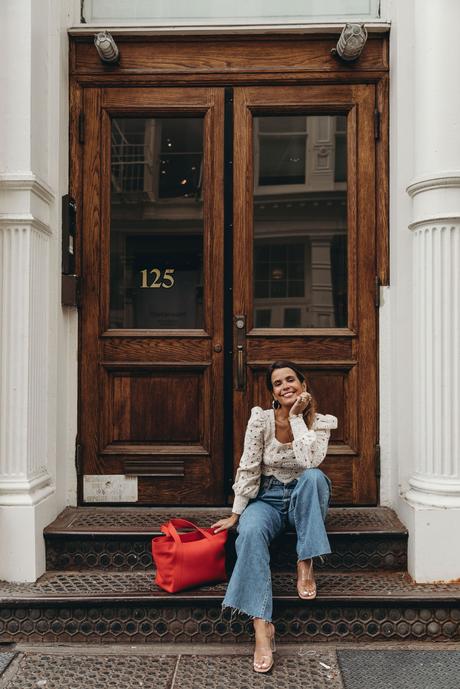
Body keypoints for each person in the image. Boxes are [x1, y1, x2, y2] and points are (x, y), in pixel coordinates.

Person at [211, 360, 337, 673]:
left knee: (314, 478)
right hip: (266, 498)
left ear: (303, 384)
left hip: (302, 500)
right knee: (250, 534)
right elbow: (249, 465)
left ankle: (304, 560)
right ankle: (261, 627)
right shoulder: (261, 420)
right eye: (278, 383)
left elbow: (309, 461)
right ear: (273, 393)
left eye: (290, 380)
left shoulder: (319, 423)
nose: (285, 386)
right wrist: (237, 513)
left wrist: (296, 419)